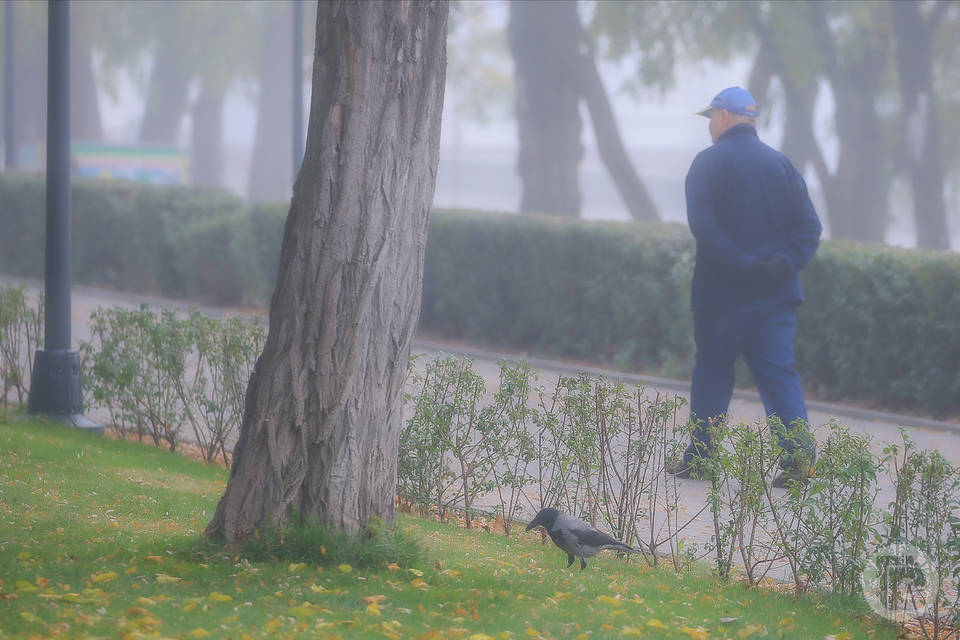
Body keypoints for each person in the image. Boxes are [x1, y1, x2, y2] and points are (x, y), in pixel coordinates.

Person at [666, 86, 822, 487]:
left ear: (722, 116)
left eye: (711, 119)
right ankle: (799, 464)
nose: (709, 128)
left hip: (722, 297)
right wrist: (781, 266)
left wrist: (743, 265)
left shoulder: (707, 164)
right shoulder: (782, 165)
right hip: (776, 297)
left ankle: (700, 459)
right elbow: (809, 228)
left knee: (714, 375)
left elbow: (705, 228)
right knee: (779, 376)